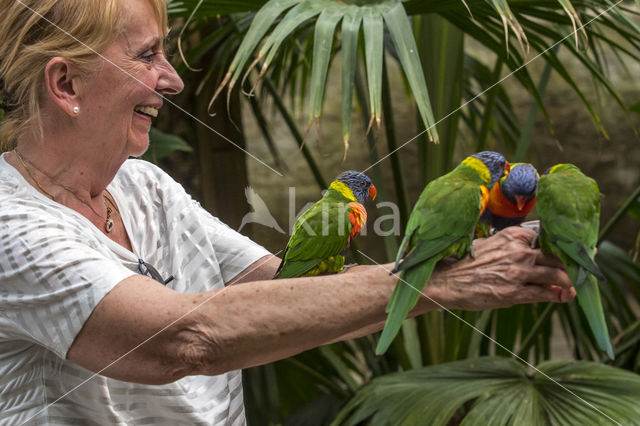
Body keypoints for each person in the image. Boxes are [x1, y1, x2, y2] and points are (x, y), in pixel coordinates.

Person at [0, 0, 574, 424]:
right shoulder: (12, 225)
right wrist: (450, 279)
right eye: (148, 55)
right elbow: (181, 339)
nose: (173, 79)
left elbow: (282, 284)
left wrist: (444, 268)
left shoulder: (147, 185)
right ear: (66, 82)